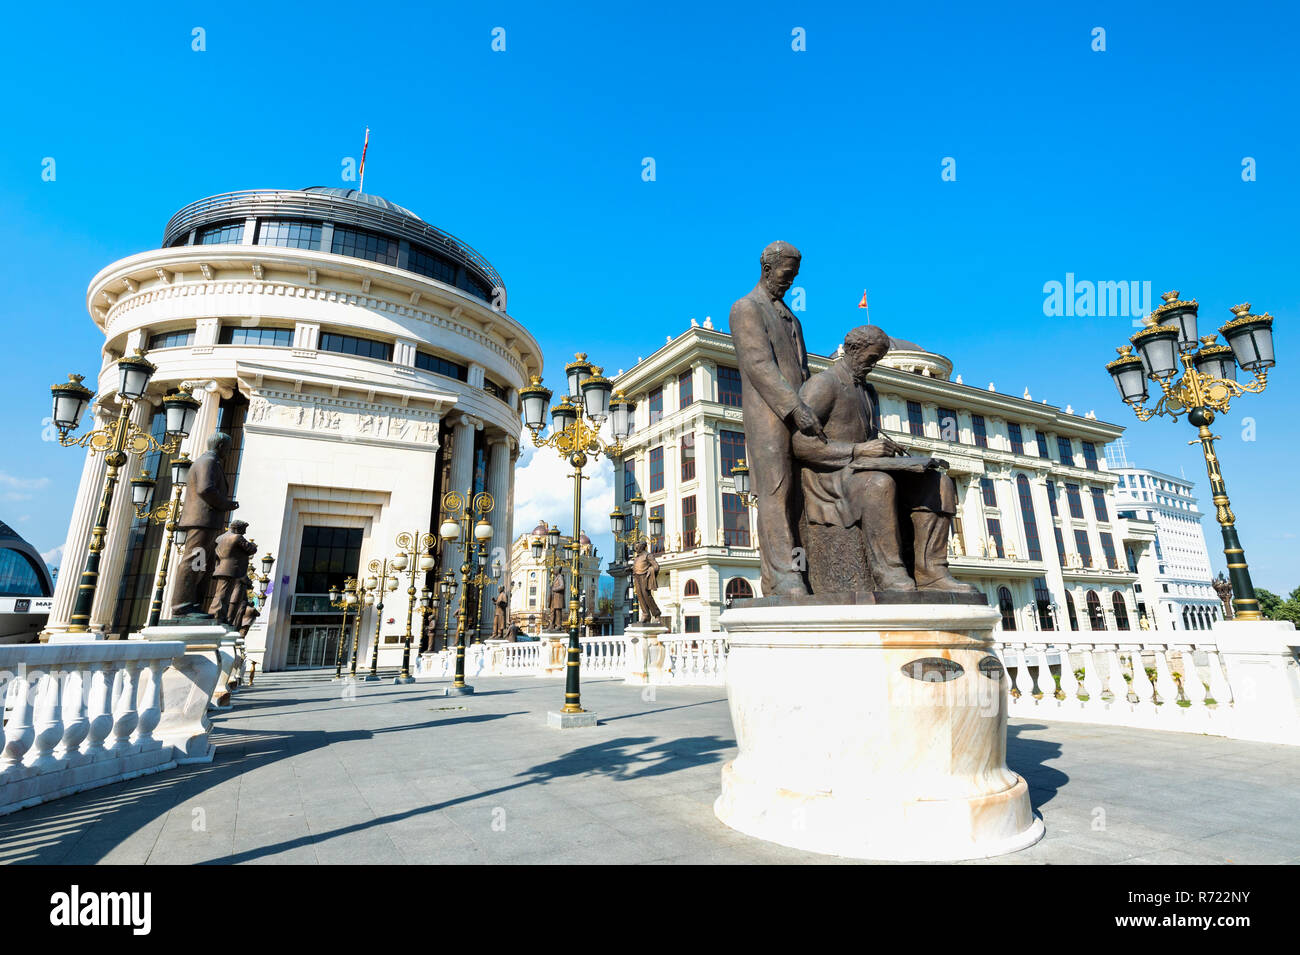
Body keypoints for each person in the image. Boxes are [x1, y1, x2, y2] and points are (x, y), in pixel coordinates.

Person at [791, 325, 977, 594]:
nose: (873, 365)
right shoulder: (823, 384)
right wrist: (860, 450)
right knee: (878, 485)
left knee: (937, 483)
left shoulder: (868, 391)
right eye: (870, 359)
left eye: (877, 360)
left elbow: (865, 438)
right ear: (853, 350)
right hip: (829, 477)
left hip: (862, 469)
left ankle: (932, 570)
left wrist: (887, 450)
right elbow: (800, 444)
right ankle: (888, 571)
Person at [729, 241, 823, 595]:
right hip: (769, 414)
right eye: (786, 274)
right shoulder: (745, 308)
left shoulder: (793, 318)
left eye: (795, 276)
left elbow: (803, 368)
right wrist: (796, 407)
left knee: (802, 494)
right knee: (776, 491)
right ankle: (782, 576)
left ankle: (803, 570)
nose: (790, 282)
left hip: (801, 413)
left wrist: (814, 404)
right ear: (767, 269)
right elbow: (759, 366)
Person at [171, 432, 238, 616]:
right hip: (202, 520)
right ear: (221, 446)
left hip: (207, 521)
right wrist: (226, 504)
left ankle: (192, 604)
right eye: (228, 448)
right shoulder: (207, 462)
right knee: (194, 559)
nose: (229, 452)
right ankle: (181, 605)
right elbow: (205, 489)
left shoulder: (211, 462)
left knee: (201, 562)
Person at [208, 521, 258, 626]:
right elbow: (251, 549)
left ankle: (218, 614)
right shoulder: (237, 537)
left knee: (222, 592)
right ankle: (217, 614)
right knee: (224, 594)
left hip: (221, 567)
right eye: (244, 529)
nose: (244, 532)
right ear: (237, 528)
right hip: (231, 568)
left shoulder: (220, 538)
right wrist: (253, 545)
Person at [631, 540, 662, 623]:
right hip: (637, 577)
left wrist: (651, 570)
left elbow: (656, 566)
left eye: (637, 547)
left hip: (645, 577)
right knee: (640, 597)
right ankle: (646, 615)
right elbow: (636, 567)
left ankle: (656, 614)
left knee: (646, 596)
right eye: (635, 547)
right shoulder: (637, 557)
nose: (636, 548)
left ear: (642, 546)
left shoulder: (647, 555)